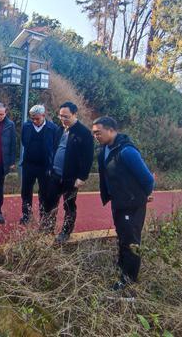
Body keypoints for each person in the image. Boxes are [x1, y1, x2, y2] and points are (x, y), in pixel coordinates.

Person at [92, 116, 154, 291]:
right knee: (122, 237)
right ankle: (122, 268)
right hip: (119, 202)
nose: (96, 136)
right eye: (94, 133)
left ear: (111, 130)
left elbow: (148, 179)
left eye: (98, 132)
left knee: (131, 242)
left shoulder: (127, 151)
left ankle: (129, 281)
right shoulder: (105, 149)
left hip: (132, 204)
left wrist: (144, 195)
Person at [42, 101, 93, 242]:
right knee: (50, 202)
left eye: (66, 116)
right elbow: (54, 149)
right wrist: (50, 168)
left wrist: (82, 177)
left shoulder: (84, 133)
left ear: (75, 114)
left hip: (71, 177)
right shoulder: (59, 129)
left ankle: (65, 232)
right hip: (55, 174)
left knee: (69, 205)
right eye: (61, 116)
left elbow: (88, 158)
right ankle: (48, 228)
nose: (63, 119)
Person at [19, 105, 58, 225]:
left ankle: (44, 218)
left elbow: (55, 147)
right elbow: (24, 141)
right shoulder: (26, 126)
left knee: (44, 193)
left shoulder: (53, 128)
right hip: (29, 165)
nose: (34, 121)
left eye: (37, 119)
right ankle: (26, 216)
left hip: (45, 166)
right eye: (32, 118)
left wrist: (52, 165)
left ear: (43, 116)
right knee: (26, 192)